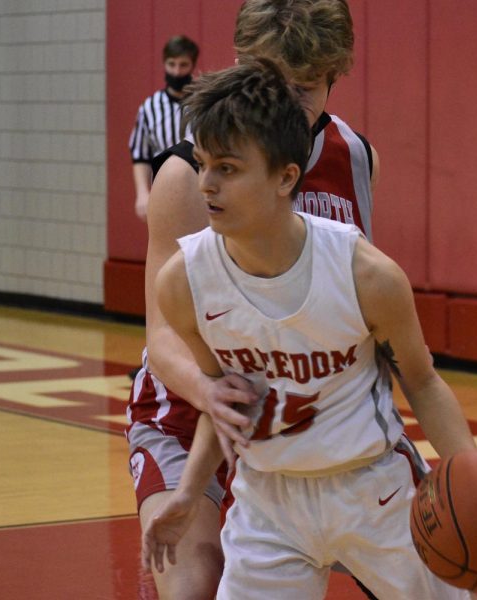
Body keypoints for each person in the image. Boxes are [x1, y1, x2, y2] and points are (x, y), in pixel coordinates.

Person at [148, 58, 477, 600]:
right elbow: (225, 402)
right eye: (203, 164)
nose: (205, 184)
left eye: (227, 168)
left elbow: (422, 381)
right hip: (268, 503)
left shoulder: (365, 275)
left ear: (285, 177)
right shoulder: (183, 282)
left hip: (371, 489)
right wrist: (187, 493)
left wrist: (471, 476)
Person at [126, 2, 380, 597]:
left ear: (334, 77)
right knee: (196, 584)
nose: (290, 103)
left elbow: (364, 308)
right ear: (241, 65)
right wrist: (214, 394)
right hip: (190, 413)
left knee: (430, 554)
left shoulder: (354, 157)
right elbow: (163, 340)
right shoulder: (189, 174)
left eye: (307, 87)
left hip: (297, 416)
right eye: (274, 82)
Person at [129, 34, 200, 221]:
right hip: (163, 189)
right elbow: (140, 155)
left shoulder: (205, 102)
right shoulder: (149, 107)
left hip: (200, 189)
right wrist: (142, 193)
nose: (176, 72)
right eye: (171, 64)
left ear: (192, 65)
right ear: (164, 64)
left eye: (183, 65)